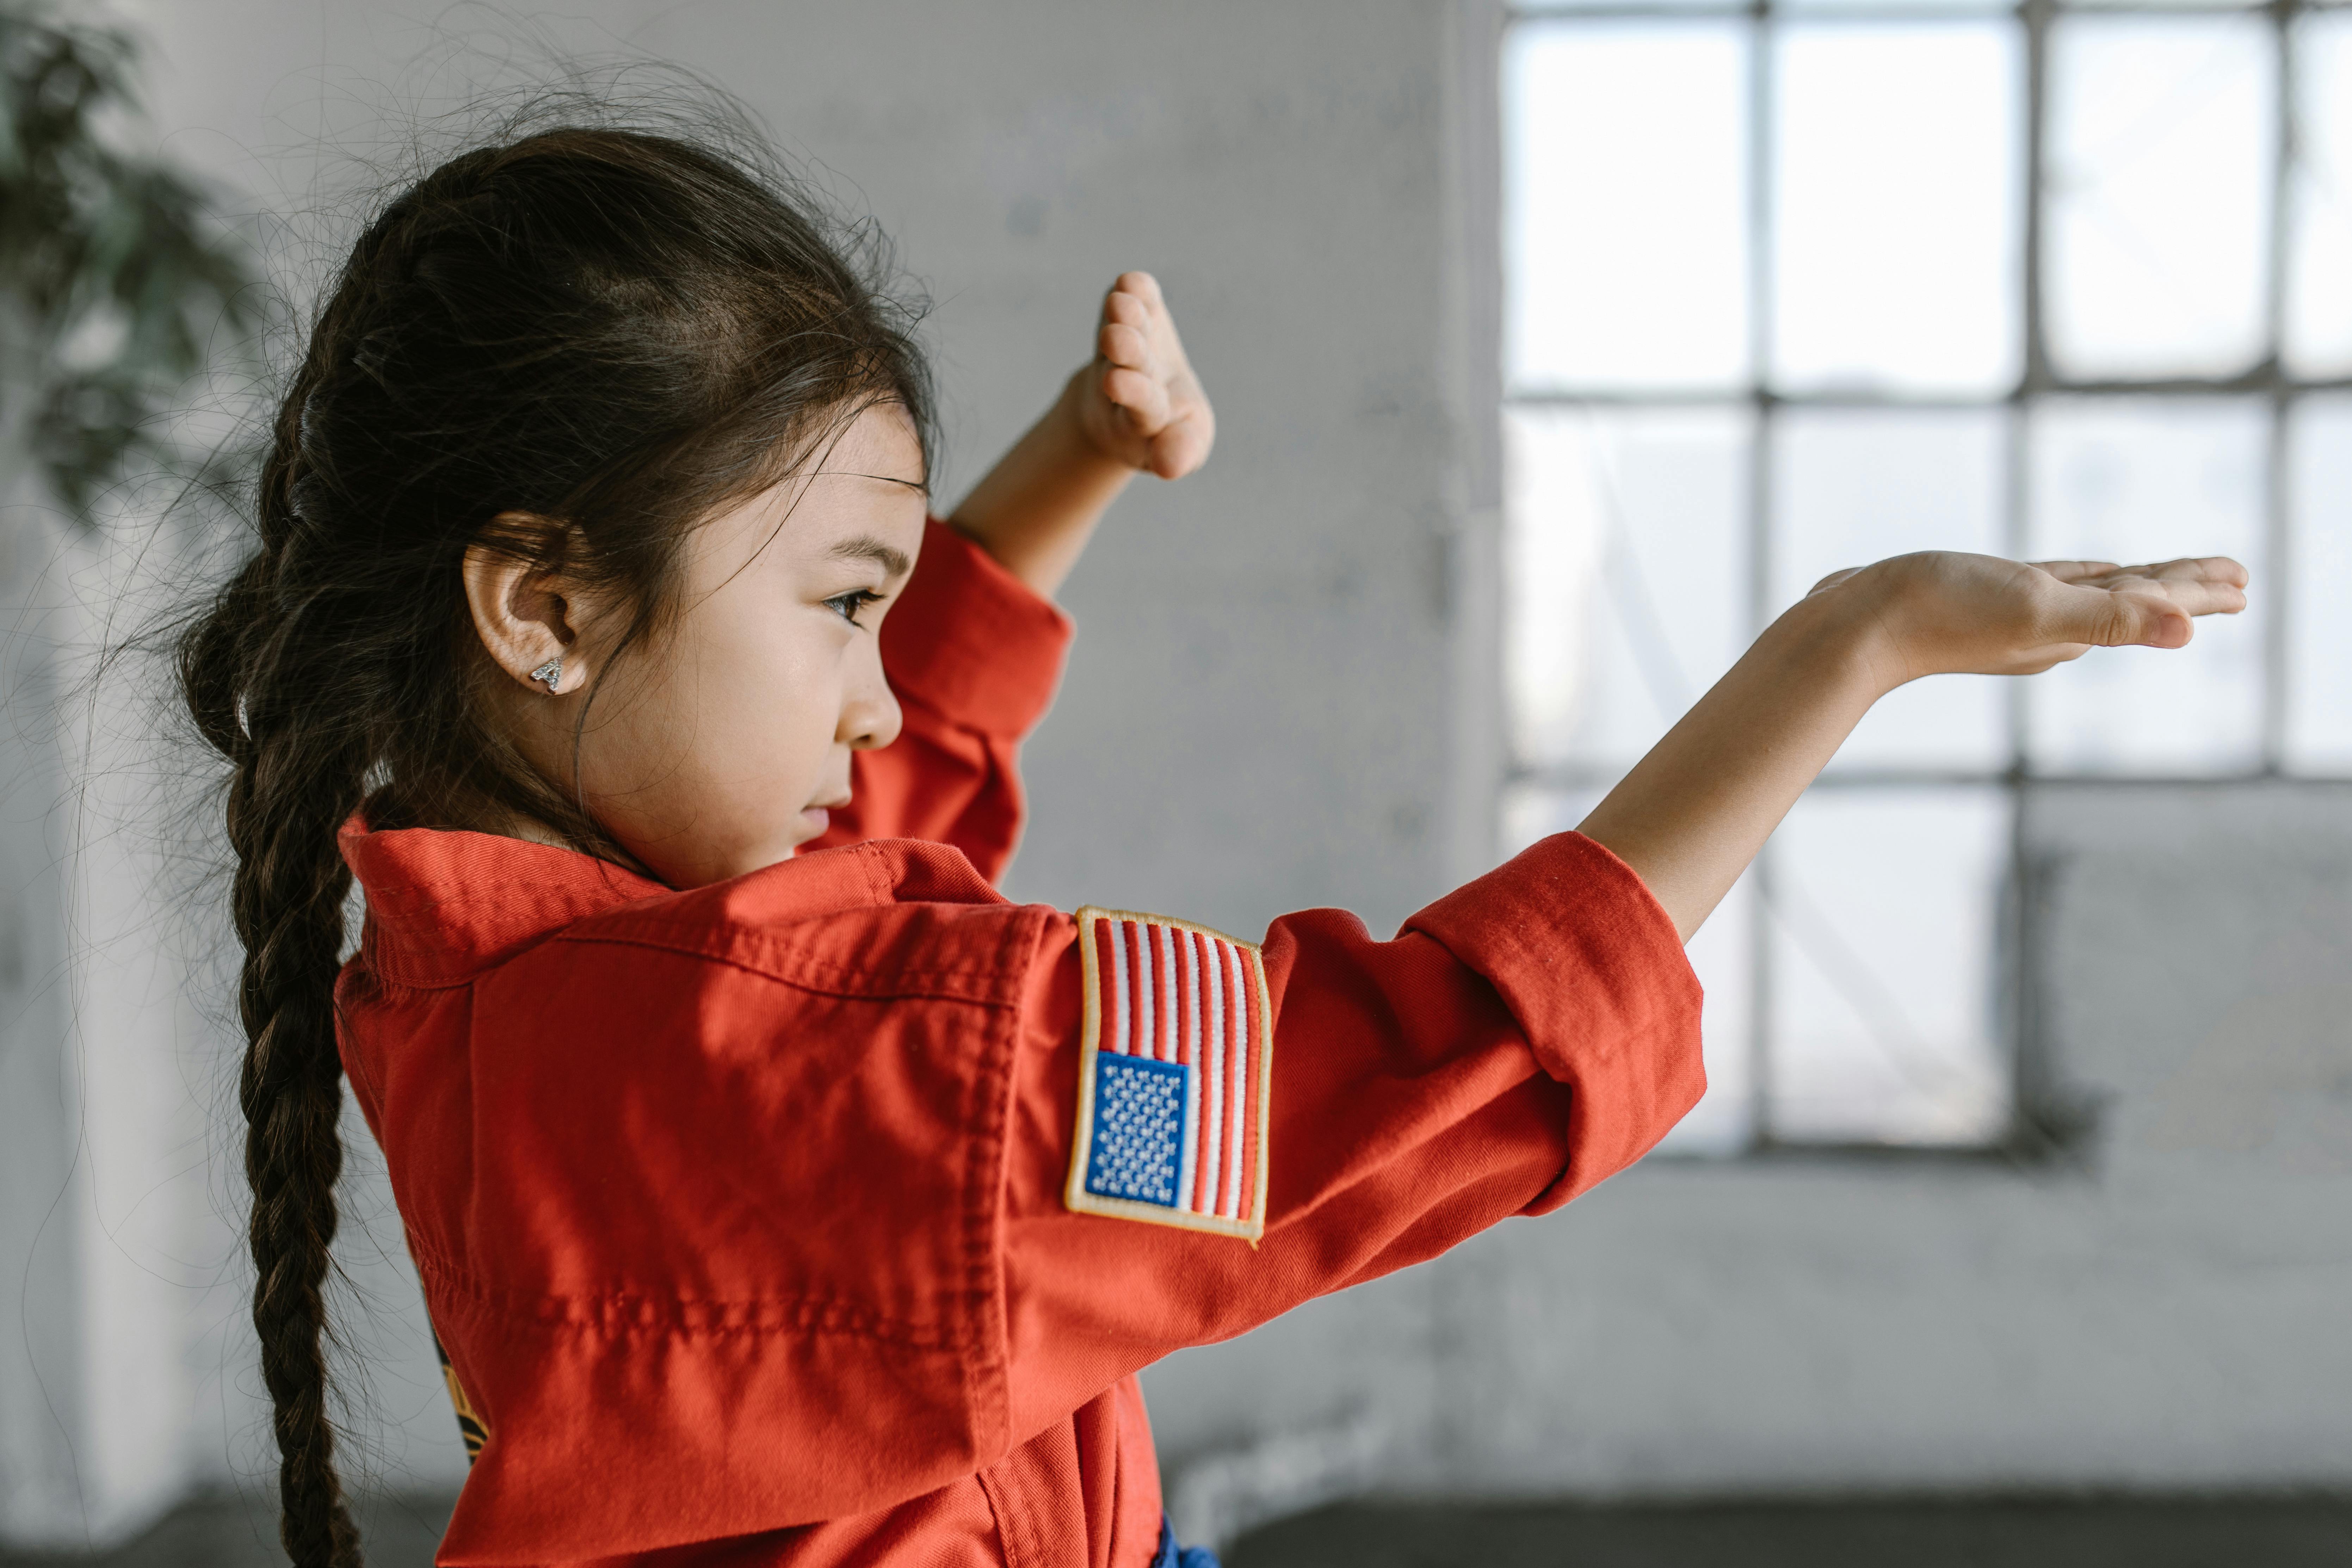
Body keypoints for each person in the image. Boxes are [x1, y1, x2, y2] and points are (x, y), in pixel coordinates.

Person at [179, 124, 2247, 1568]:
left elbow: (847, 868)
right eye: (837, 602)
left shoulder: (499, 975)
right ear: (539, 607)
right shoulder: (797, 1075)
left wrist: (1076, 459)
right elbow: (1399, 1063)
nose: (877, 691)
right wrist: (1845, 644)